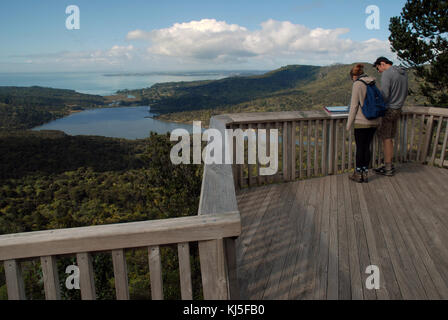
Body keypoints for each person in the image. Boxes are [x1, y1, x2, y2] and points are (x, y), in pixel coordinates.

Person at [372, 57, 408, 176]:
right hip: (398, 109)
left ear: (382, 64)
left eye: (378, 68)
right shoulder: (403, 73)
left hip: (389, 110)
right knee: (390, 138)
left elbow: (385, 95)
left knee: (386, 138)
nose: (379, 72)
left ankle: (388, 168)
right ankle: (389, 164)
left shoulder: (387, 74)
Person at [346, 64, 380, 183]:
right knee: (367, 147)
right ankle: (365, 174)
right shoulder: (372, 82)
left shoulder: (357, 84)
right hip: (374, 121)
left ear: (354, 76)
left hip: (361, 121)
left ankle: (358, 174)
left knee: (360, 148)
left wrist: (348, 125)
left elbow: (354, 106)